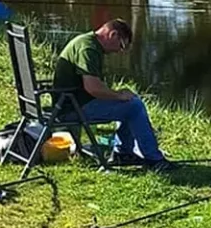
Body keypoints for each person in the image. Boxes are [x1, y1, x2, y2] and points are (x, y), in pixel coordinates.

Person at [51, 15, 169, 168]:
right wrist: (118, 95)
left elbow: (92, 86)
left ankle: (123, 153)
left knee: (129, 103)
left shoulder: (87, 42)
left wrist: (118, 96)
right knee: (134, 107)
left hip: (72, 102)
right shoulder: (88, 49)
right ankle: (153, 159)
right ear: (113, 35)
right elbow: (92, 87)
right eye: (121, 46)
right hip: (72, 108)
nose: (120, 51)